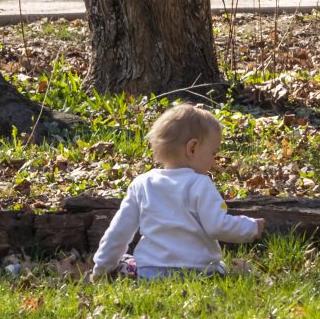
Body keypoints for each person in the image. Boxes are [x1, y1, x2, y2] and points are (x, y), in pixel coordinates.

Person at [90, 103, 265, 281]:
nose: (214, 160)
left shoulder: (142, 184)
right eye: (213, 152)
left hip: (151, 272)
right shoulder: (200, 184)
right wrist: (250, 227)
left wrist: (102, 268)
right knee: (221, 267)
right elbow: (218, 226)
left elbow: (119, 232)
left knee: (127, 261)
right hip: (200, 271)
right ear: (192, 148)